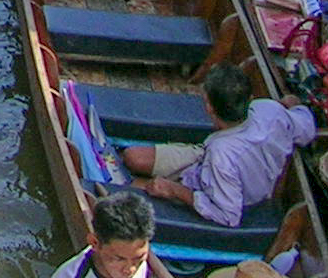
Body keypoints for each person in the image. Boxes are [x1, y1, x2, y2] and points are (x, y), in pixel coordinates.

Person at [122, 65, 316, 227]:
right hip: (201, 161)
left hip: (209, 189)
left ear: (209, 108)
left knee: (130, 187)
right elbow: (307, 128)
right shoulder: (270, 110)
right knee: (132, 157)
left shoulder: (222, 155)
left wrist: (175, 190)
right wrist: (295, 105)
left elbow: (228, 215)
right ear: (249, 99)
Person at [50, 190, 155, 278]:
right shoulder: (70, 275)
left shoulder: (134, 259)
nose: (130, 270)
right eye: (119, 259)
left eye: (139, 259)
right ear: (95, 242)